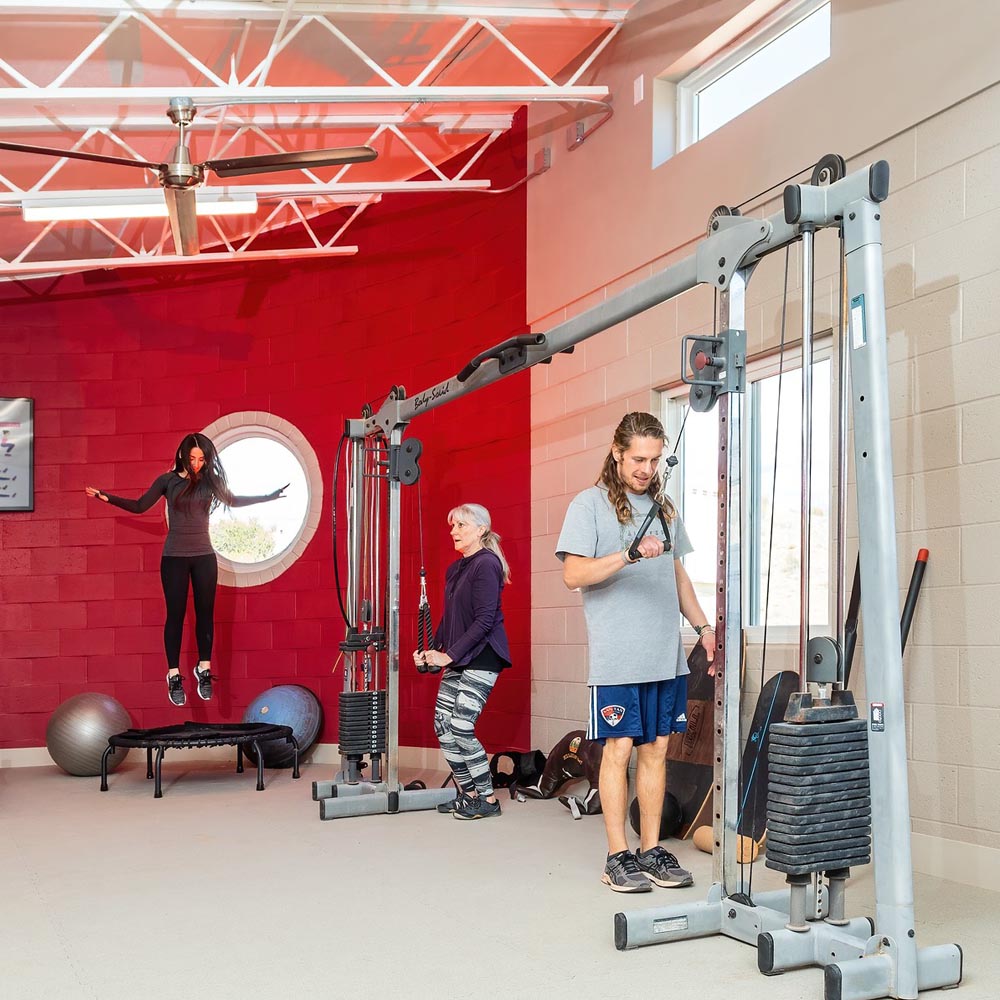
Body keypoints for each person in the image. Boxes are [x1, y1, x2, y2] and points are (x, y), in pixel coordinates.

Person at [556, 411, 716, 893]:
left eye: (653, 459)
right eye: (637, 459)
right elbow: (573, 575)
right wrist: (627, 555)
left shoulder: (665, 510)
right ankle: (616, 855)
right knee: (619, 750)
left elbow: (677, 575)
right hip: (618, 657)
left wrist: (704, 628)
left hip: (663, 654)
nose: (646, 468)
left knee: (657, 750)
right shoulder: (589, 505)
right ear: (617, 452)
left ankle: (649, 850)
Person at [86, 432, 286, 707]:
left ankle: (203, 668)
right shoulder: (167, 481)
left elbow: (232, 500)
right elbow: (139, 506)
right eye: (192, 458)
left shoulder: (209, 482)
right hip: (174, 558)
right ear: (182, 455)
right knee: (176, 615)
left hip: (204, 556)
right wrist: (106, 497)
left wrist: (268, 497)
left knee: (205, 614)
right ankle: (173, 675)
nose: (197, 464)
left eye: (202, 459)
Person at [412, 503, 512, 821]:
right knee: (443, 726)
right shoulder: (455, 569)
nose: (453, 532)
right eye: (453, 526)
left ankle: (488, 799)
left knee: (461, 726)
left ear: (481, 529)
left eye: (461, 526)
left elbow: (484, 621)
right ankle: (468, 795)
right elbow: (450, 619)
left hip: (483, 657)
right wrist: (432, 651)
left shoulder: (487, 564)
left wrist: (449, 655)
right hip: (459, 656)